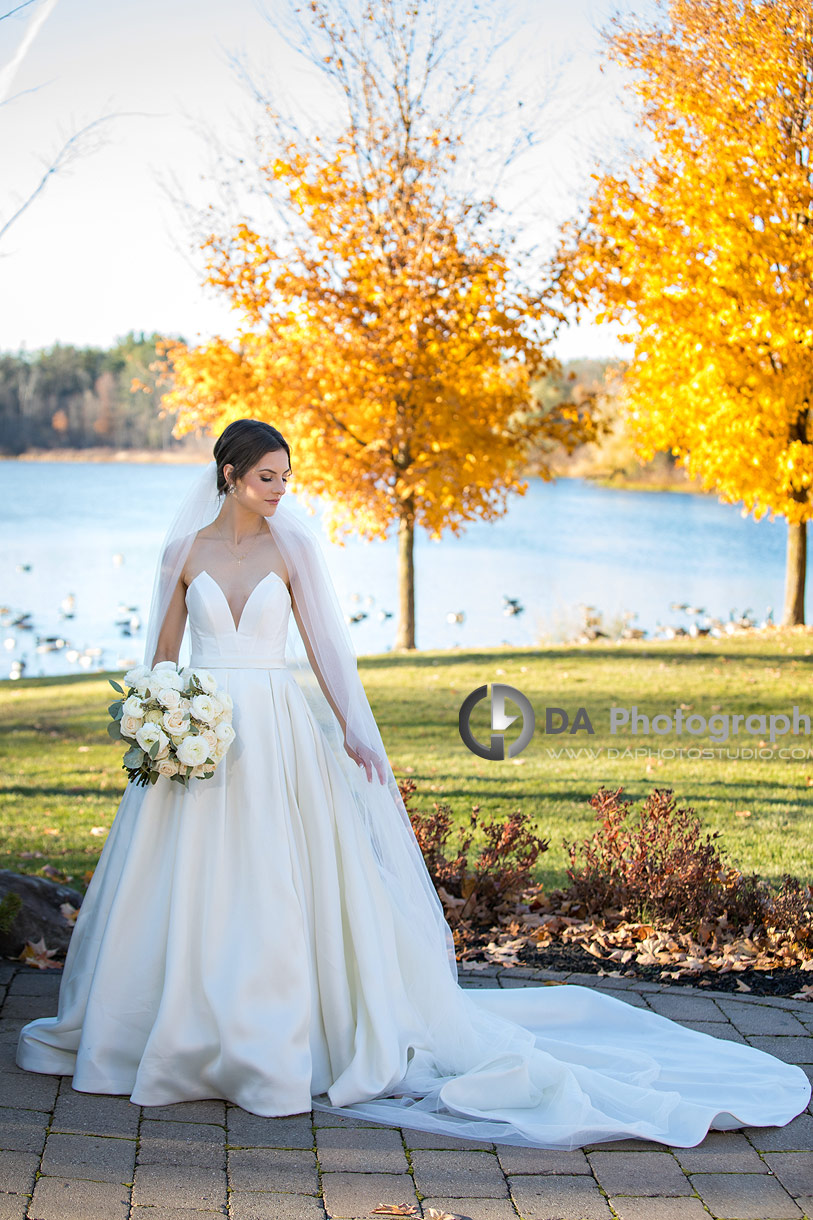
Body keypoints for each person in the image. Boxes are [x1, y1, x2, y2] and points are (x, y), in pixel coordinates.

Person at [16, 419, 810, 1150]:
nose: (279, 489)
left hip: (279, 736)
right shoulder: (180, 552)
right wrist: (158, 717)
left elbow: (326, 650)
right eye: (265, 476)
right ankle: (171, 1029)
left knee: (280, 878)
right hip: (200, 734)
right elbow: (160, 653)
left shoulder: (289, 550)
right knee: (188, 882)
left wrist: (355, 727)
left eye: (285, 476)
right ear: (228, 475)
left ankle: (277, 1036)